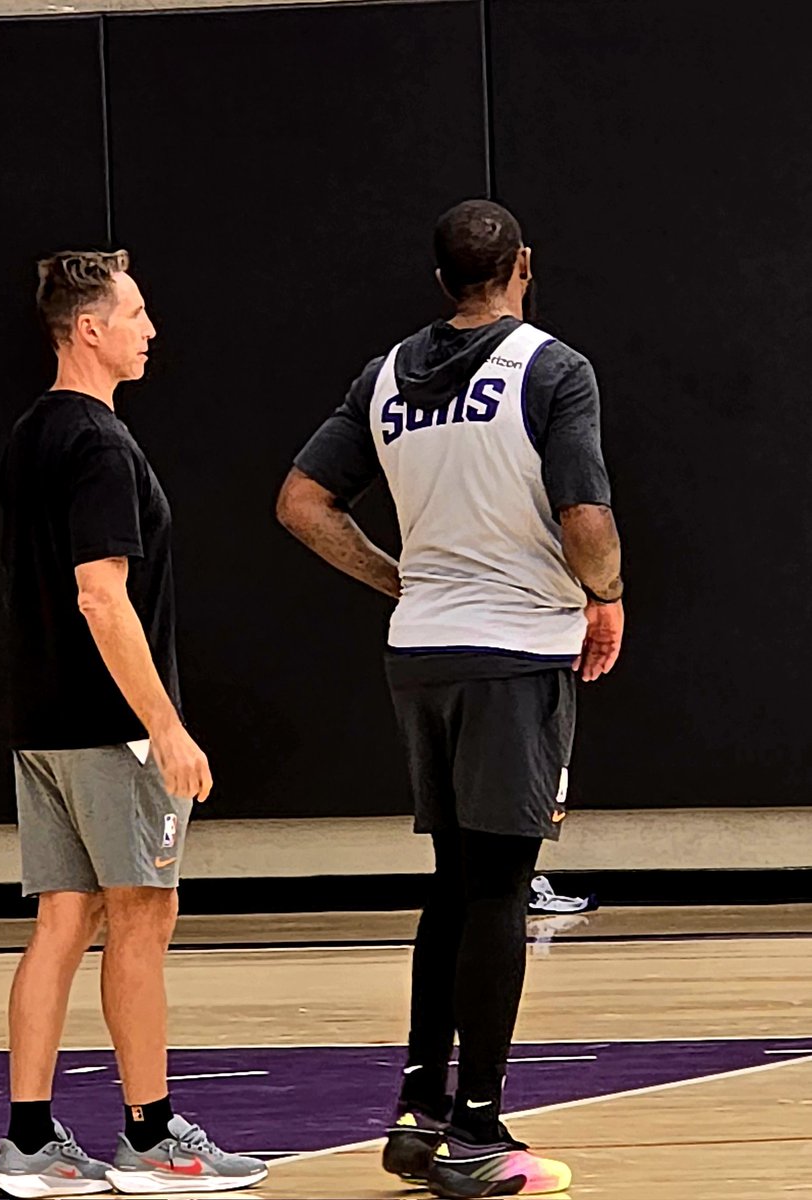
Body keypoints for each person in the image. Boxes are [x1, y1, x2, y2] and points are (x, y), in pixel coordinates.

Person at [276, 200, 623, 1199]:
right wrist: (605, 595)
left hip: (419, 652)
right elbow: (586, 517)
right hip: (512, 652)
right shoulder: (552, 368)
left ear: (440, 281)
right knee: (501, 890)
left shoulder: (386, 375)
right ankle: (478, 1130)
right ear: (523, 266)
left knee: (456, 882)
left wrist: (399, 578)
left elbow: (299, 502)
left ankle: (420, 1111)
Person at [0, 250, 267, 1198]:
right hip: (112, 729)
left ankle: (28, 1143)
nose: (151, 330)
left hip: (41, 722)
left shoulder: (30, 434)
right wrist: (169, 725)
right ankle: (150, 1138)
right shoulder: (103, 445)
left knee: (62, 922)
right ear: (88, 329)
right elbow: (100, 598)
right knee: (144, 918)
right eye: (137, 313)